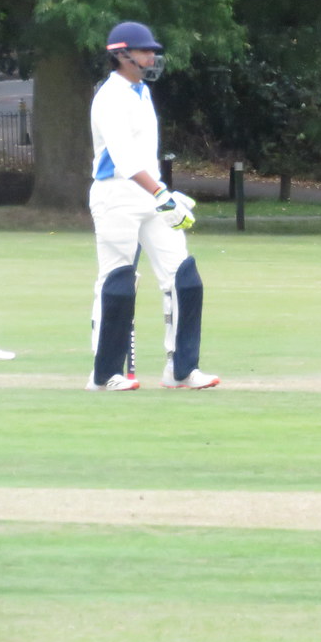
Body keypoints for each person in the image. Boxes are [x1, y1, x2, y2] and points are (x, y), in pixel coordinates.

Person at [86, 21, 219, 392]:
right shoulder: (110, 97)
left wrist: (162, 194)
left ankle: (181, 369)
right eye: (145, 51)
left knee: (183, 277)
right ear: (122, 54)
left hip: (151, 194)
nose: (151, 57)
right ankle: (105, 375)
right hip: (116, 195)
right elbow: (124, 158)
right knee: (117, 282)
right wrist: (162, 194)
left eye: (153, 52)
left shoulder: (141, 92)